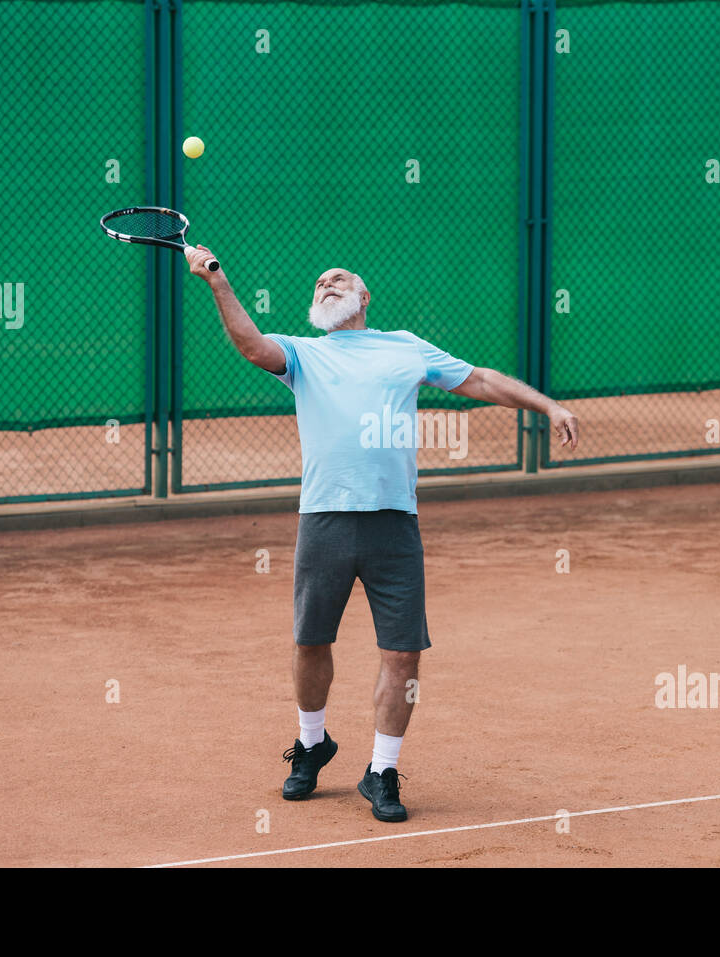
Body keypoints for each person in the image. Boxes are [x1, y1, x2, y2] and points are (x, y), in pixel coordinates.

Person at [186, 246, 579, 822]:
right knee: (310, 643)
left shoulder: (405, 347)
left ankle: (382, 772)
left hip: (395, 523)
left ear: (363, 298)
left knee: (402, 654)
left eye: (339, 278)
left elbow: (482, 380)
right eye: (319, 281)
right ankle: (312, 743)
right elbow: (250, 344)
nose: (326, 282)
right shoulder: (304, 355)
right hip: (324, 518)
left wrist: (547, 405)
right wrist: (216, 279)